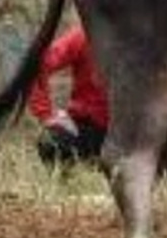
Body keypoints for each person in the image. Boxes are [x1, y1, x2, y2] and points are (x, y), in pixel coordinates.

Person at [28, 24, 109, 166]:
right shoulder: (83, 35)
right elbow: (38, 66)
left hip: (132, 134)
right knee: (50, 143)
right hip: (87, 126)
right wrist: (49, 115)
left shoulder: (146, 36)